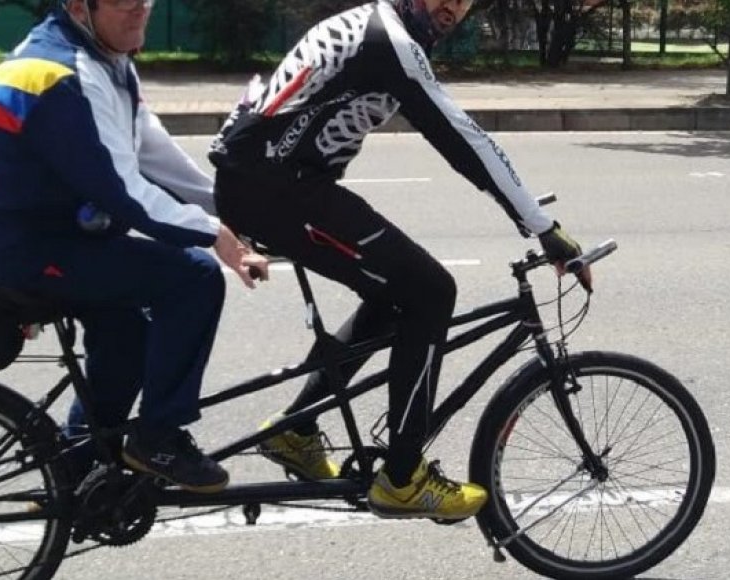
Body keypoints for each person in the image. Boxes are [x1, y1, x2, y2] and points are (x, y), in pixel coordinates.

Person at [209, 0, 591, 519]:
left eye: (463, 1)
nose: (452, 7)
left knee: (399, 291)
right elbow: (461, 139)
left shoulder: (380, 31)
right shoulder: (388, 40)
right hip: (277, 192)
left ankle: (297, 431)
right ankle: (404, 477)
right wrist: (542, 228)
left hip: (279, 187)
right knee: (432, 292)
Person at [0, 0, 267, 493]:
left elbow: (150, 151)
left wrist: (232, 207)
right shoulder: (60, 73)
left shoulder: (103, 57)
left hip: (61, 237)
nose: (140, 12)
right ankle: (159, 436)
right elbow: (124, 191)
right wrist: (215, 236)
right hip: (31, 248)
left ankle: (74, 467)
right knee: (193, 276)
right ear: (80, 6)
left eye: (146, 0)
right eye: (125, 3)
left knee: (127, 332)